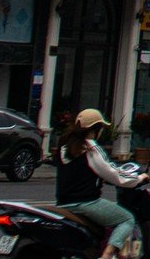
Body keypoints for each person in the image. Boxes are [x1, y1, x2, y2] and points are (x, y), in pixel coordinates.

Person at [57, 110, 143, 259]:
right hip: (86, 203)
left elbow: (79, 171)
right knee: (127, 219)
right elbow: (114, 173)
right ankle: (107, 255)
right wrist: (139, 178)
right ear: (95, 130)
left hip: (63, 204)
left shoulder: (65, 146)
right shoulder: (91, 148)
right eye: (101, 128)